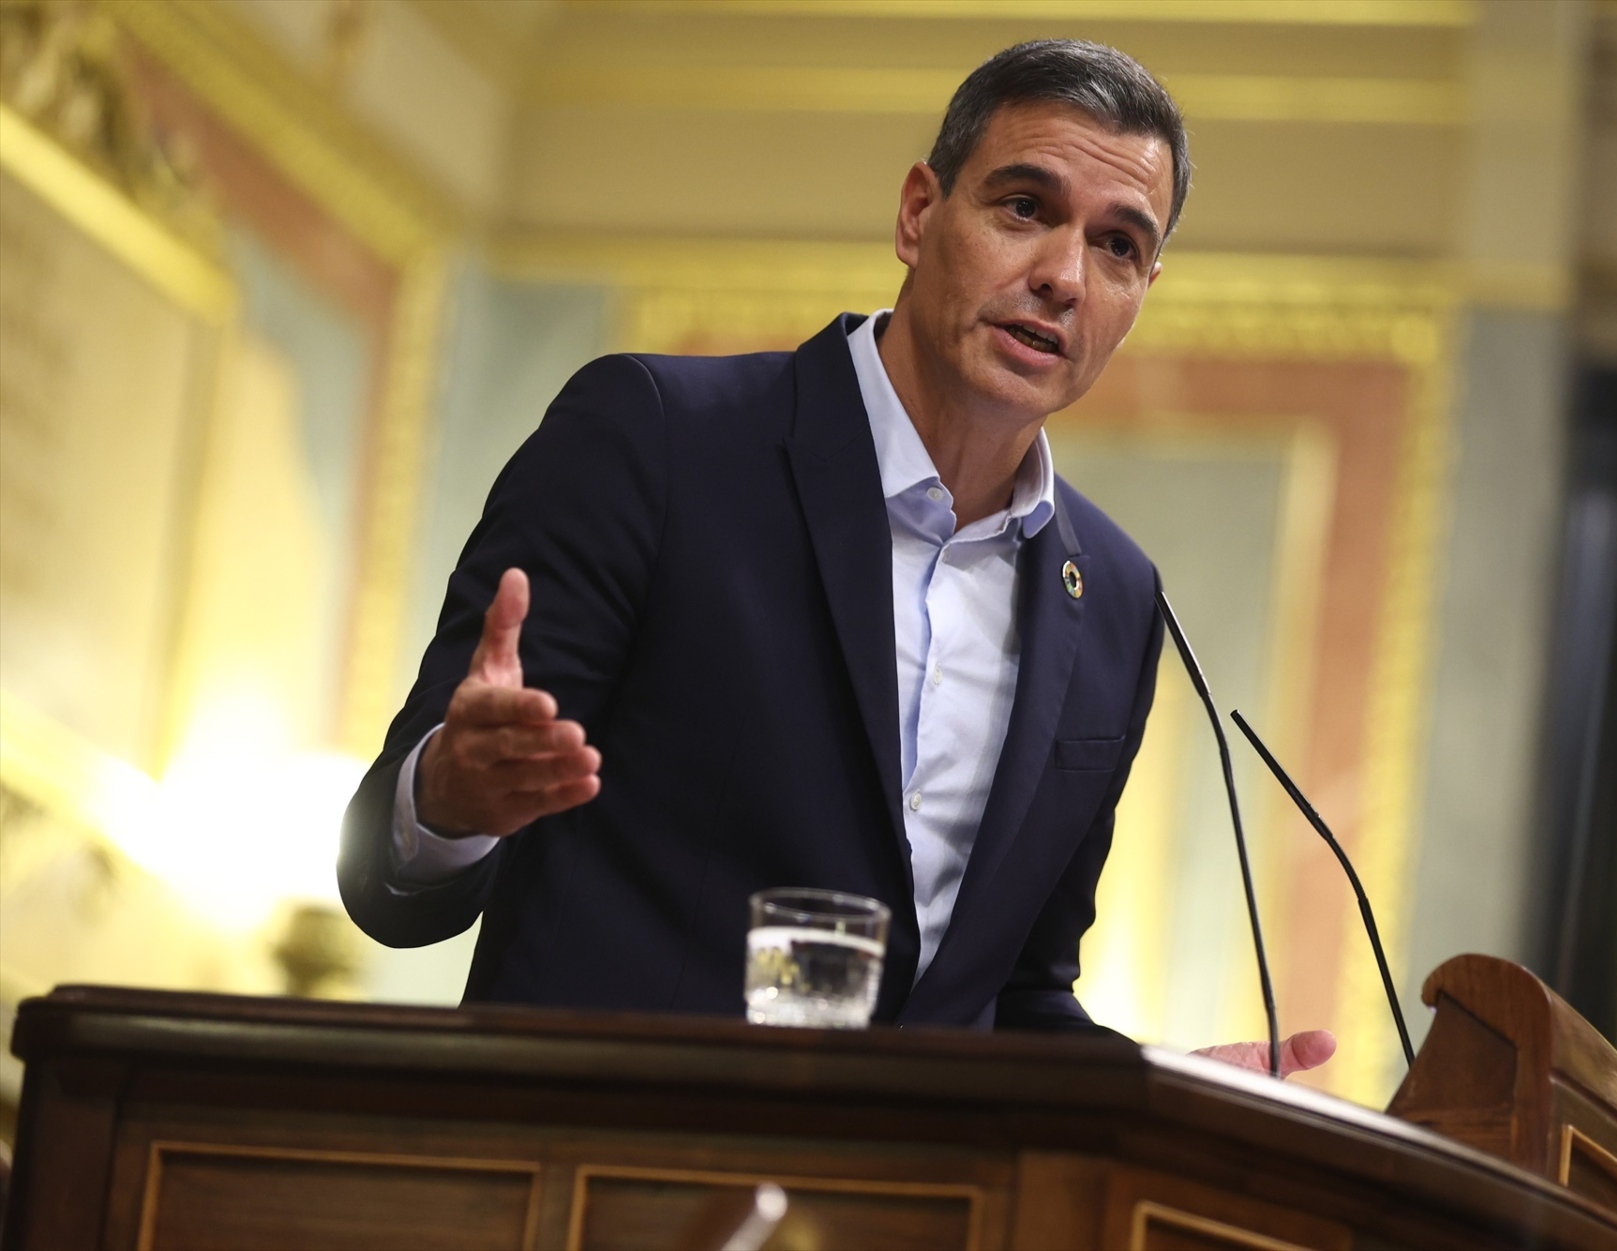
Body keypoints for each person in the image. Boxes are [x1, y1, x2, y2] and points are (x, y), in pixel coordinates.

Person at [339, 40, 1332, 1075]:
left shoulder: (1118, 599)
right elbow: (385, 872)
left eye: (1119, 245)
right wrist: (448, 801)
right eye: (1025, 207)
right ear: (917, 214)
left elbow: (1014, 998)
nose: (1063, 278)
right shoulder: (655, 440)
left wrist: (1160, 1090)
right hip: (600, 1174)